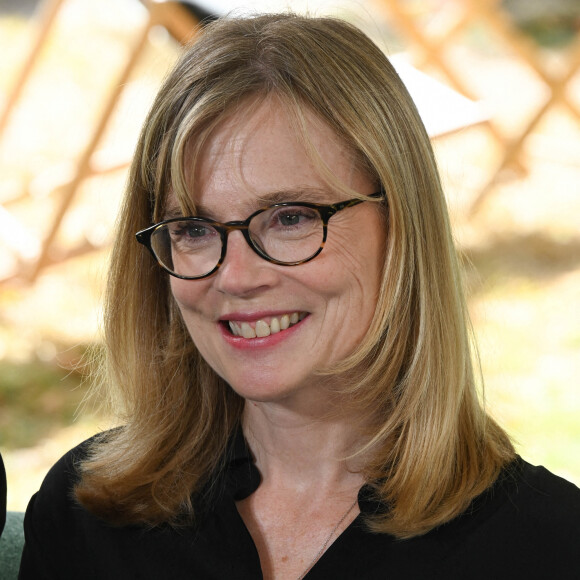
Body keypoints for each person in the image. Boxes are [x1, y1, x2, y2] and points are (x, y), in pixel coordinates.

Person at [19, 13, 580, 580]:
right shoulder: (86, 515)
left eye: (290, 218)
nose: (236, 277)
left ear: (402, 228)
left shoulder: (547, 547)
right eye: (192, 228)